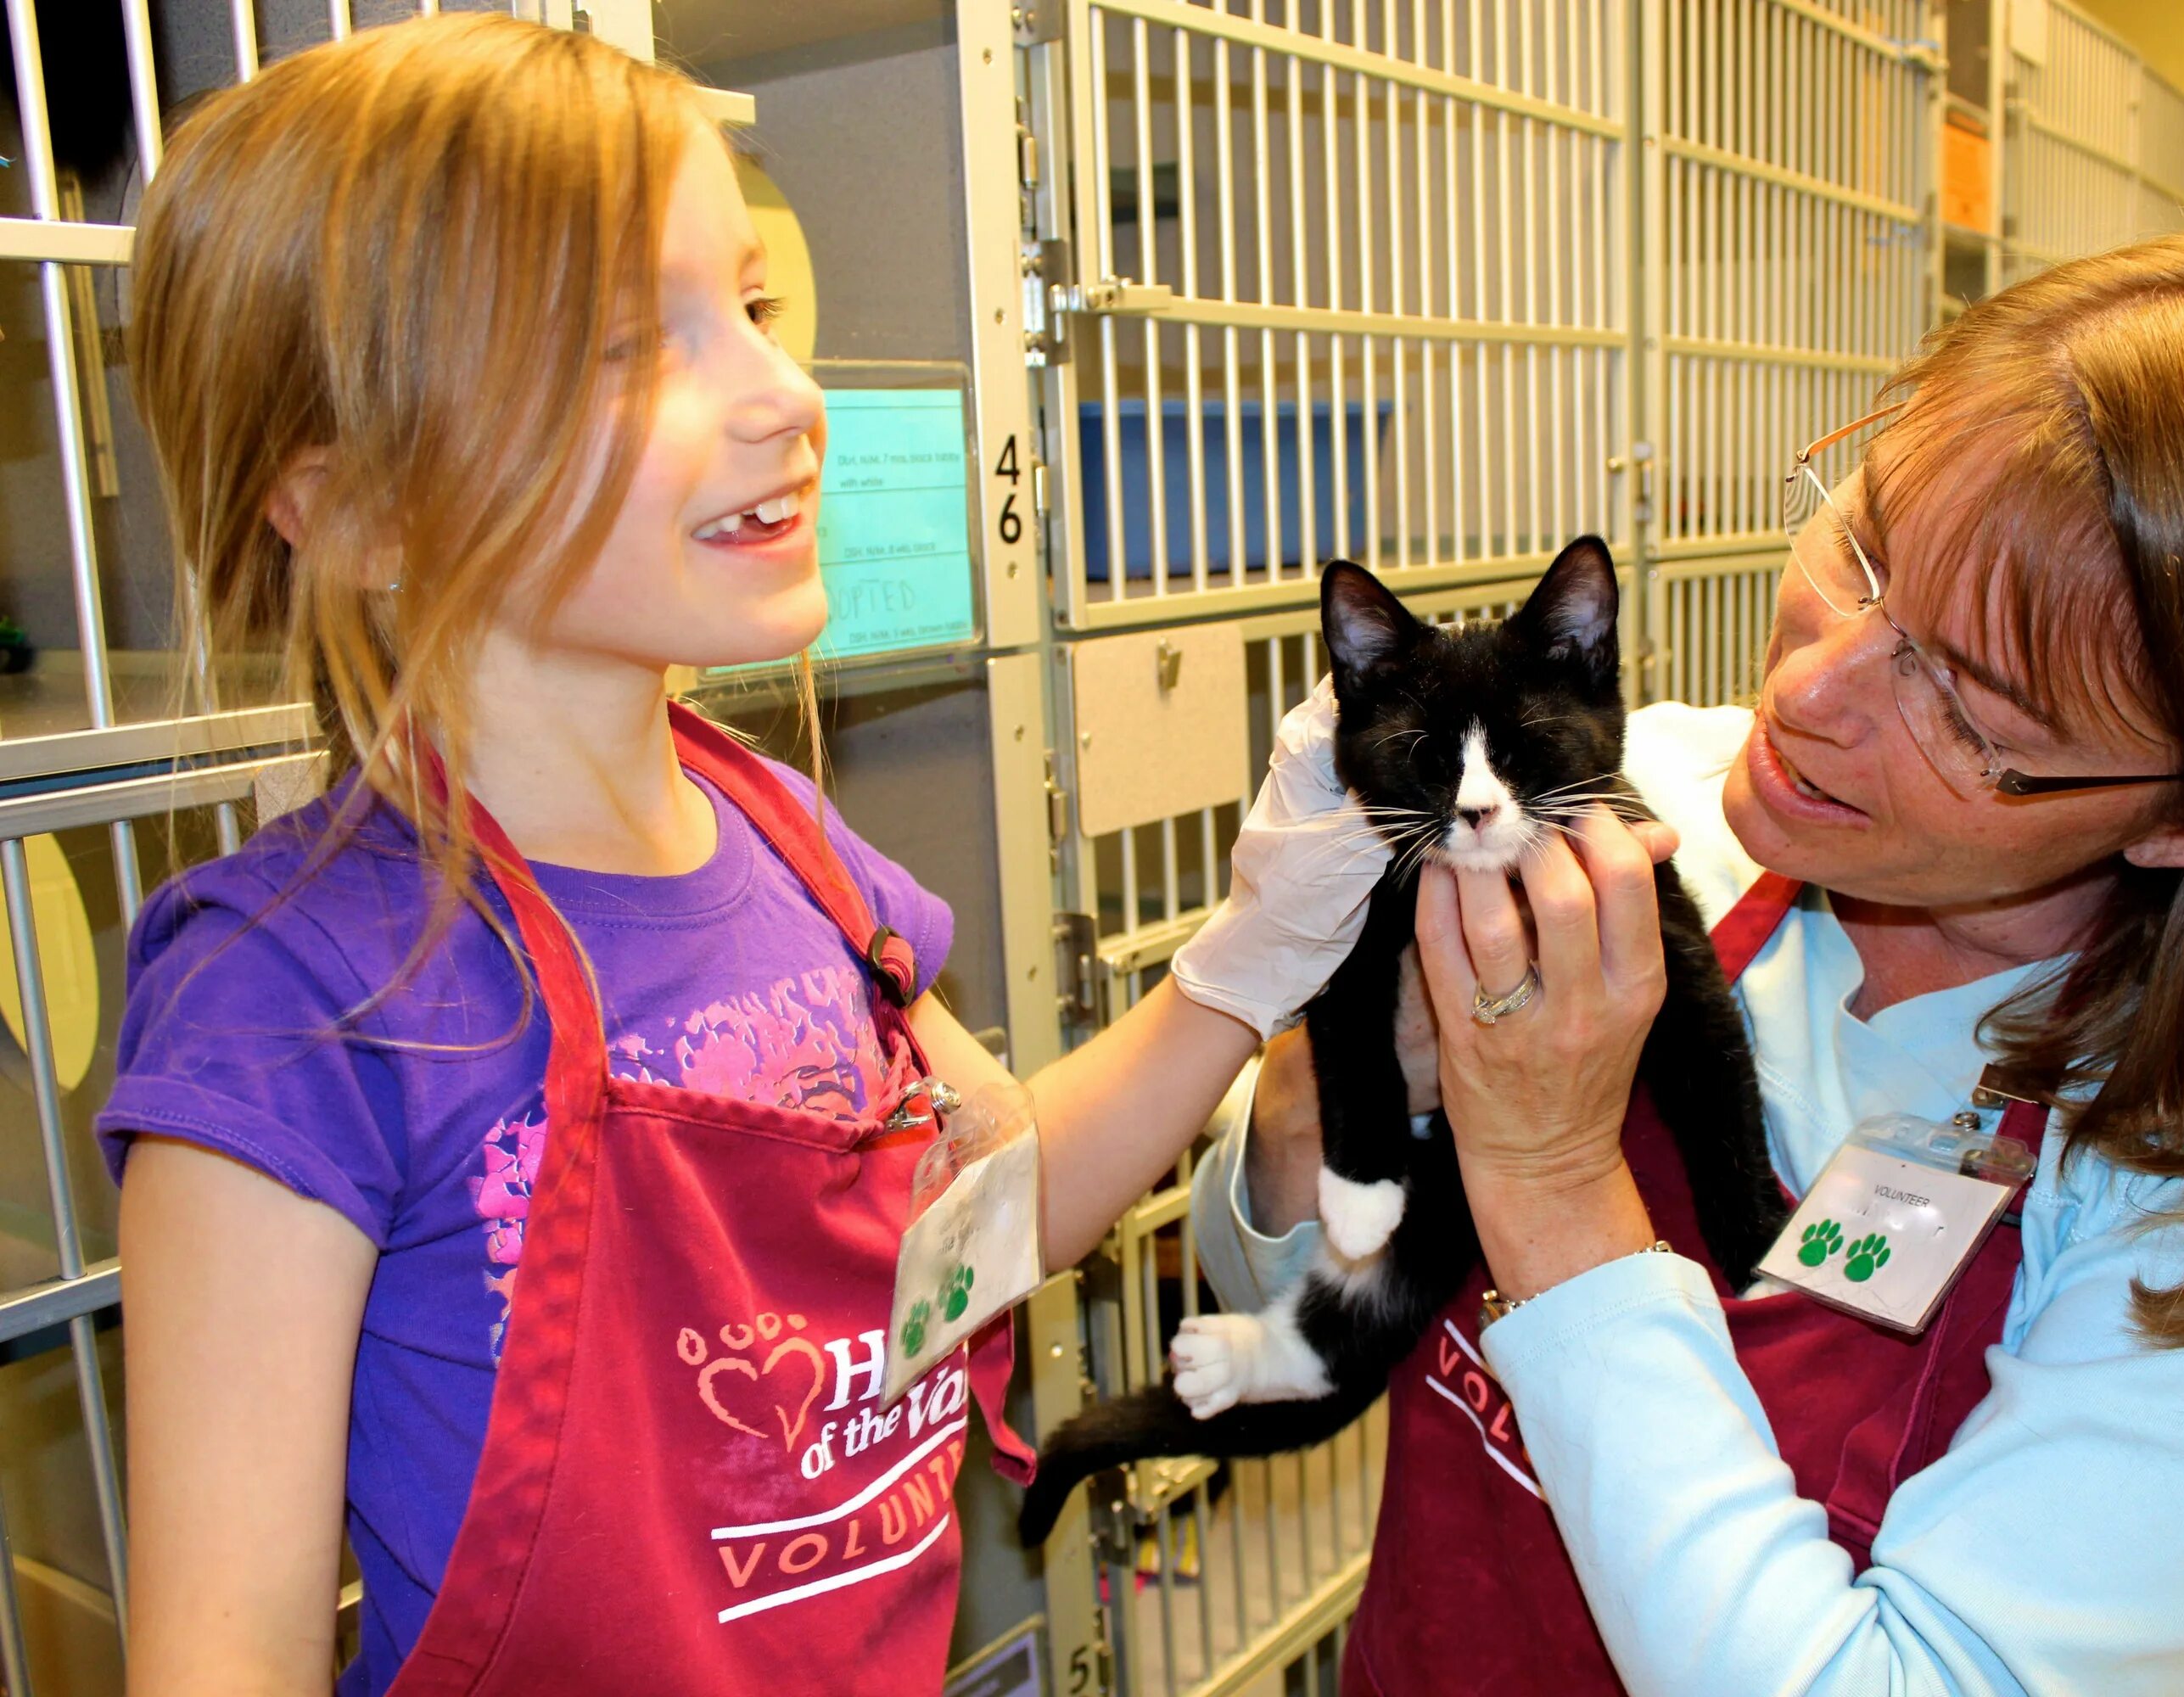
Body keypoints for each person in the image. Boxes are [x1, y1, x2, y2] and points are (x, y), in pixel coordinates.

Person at [103, 18, 1376, 1694]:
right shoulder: (288, 1005)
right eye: (633, 343)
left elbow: (985, 1220)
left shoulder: (793, 843)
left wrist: (1263, 947)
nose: (786, 394)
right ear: (362, 514)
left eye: (756, 308)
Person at [1190, 229, 2184, 1694]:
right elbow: (1265, 1260)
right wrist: (1317, 1100)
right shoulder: (1656, 808)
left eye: (1973, 709)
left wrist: (1554, 1179)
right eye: (1866, 548)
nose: (1810, 687)